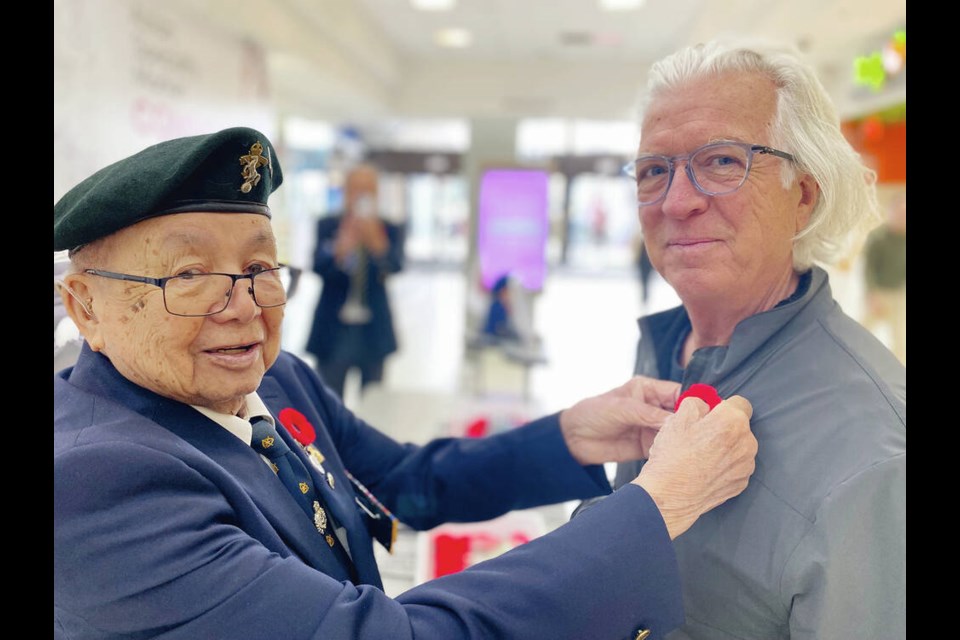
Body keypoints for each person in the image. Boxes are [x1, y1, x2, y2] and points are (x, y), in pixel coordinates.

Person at [53, 126, 759, 640]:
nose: (241, 305)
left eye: (260, 269)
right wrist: (654, 508)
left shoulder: (280, 380)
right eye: (188, 276)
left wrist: (574, 434)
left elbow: (396, 487)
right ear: (86, 306)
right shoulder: (98, 485)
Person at [592, 38, 906, 639]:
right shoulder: (665, 352)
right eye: (654, 170)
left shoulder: (875, 452)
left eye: (722, 162)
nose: (677, 202)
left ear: (804, 195)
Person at [305, 164, 404, 399]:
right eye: (356, 189)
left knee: (374, 401)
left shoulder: (388, 228)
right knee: (328, 401)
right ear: (346, 191)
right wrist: (341, 248)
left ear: (377, 193)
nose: (361, 196)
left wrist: (377, 244)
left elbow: (396, 266)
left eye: (367, 190)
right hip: (334, 330)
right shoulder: (328, 225)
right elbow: (318, 266)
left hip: (373, 330)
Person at [861, 191, 906, 364]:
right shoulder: (878, 238)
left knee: (900, 337)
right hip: (879, 293)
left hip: (898, 295)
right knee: (864, 330)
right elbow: (868, 269)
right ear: (891, 213)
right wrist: (872, 295)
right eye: (900, 213)